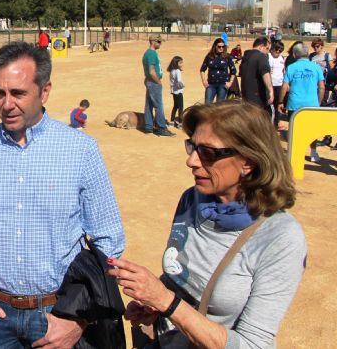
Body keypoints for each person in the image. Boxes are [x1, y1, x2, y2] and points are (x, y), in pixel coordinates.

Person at [0, 41, 125, 348]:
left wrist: (78, 317)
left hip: (59, 314)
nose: (6, 104)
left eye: (18, 93)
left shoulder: (81, 150)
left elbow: (108, 239)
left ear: (44, 91)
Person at [106, 101, 307, 348]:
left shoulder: (280, 237)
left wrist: (167, 302)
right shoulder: (192, 200)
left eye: (208, 153)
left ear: (249, 161)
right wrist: (155, 306)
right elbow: (183, 280)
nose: (191, 161)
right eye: (192, 147)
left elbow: (255, 344)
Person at [278, 43, 325, 162]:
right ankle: (313, 153)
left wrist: (280, 102)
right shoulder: (316, 67)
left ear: (294, 54)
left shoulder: (291, 67)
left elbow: (284, 87)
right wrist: (318, 102)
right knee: (312, 130)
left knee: (294, 129)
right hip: (312, 103)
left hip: (295, 103)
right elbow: (322, 87)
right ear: (307, 53)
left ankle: (294, 152)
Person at [142, 34, 175, 137]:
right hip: (153, 82)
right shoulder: (151, 54)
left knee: (149, 104)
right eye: (159, 42)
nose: (160, 44)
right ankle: (161, 128)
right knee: (158, 105)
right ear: (153, 42)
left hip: (150, 81)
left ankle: (148, 126)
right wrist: (158, 81)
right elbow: (152, 71)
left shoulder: (148, 53)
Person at [239, 36, 274, 115]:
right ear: (261, 46)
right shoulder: (261, 56)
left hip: (246, 96)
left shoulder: (245, 58)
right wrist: (270, 90)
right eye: (267, 48)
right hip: (258, 98)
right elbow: (265, 73)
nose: (267, 52)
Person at [200, 38, 237, 104]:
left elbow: (233, 70)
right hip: (211, 84)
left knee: (219, 106)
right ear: (215, 46)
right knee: (207, 105)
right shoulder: (209, 56)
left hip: (223, 85)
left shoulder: (227, 57)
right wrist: (203, 80)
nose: (221, 48)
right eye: (219, 46)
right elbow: (202, 69)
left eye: (223, 46)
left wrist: (230, 82)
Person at [309, 37, 333, 105]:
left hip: (324, 83)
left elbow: (331, 69)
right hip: (313, 83)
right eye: (314, 46)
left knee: (323, 102)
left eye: (317, 46)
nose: (315, 48)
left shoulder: (327, 56)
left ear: (322, 46)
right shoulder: (311, 56)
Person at [269, 40, 286, 128]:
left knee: (278, 104)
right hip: (270, 84)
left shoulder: (282, 58)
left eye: (280, 50)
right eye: (277, 49)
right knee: (269, 104)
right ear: (272, 49)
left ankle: (276, 122)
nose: (278, 52)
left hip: (279, 84)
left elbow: (283, 71)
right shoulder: (268, 57)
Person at [168, 56, 185, 128]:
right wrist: (183, 86)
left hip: (174, 91)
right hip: (179, 92)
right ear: (176, 63)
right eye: (180, 63)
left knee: (175, 106)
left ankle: (172, 121)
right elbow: (179, 82)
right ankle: (180, 123)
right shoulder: (177, 71)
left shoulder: (172, 71)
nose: (182, 64)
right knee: (181, 107)